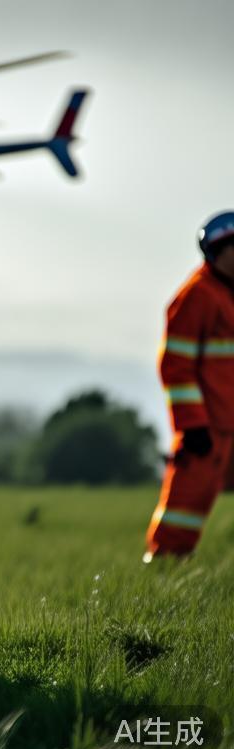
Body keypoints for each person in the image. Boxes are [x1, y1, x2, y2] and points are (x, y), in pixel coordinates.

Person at [145, 211, 234, 562]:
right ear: (219, 251)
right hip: (207, 429)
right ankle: (163, 573)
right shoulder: (198, 295)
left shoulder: (227, 295)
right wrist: (193, 424)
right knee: (183, 511)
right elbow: (175, 366)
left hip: (228, 423)